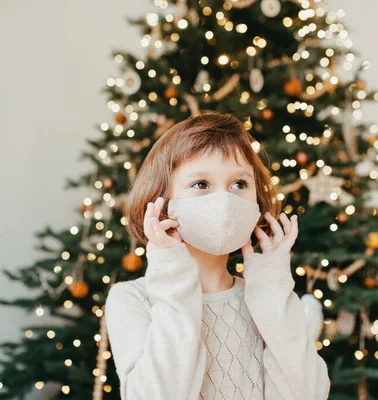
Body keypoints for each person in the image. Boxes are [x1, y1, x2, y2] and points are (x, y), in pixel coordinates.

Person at [104, 110, 330, 400]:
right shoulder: (131, 300)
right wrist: (172, 274)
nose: (225, 200)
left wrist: (273, 290)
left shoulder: (270, 297)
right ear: (161, 203)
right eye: (201, 184)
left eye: (240, 184)